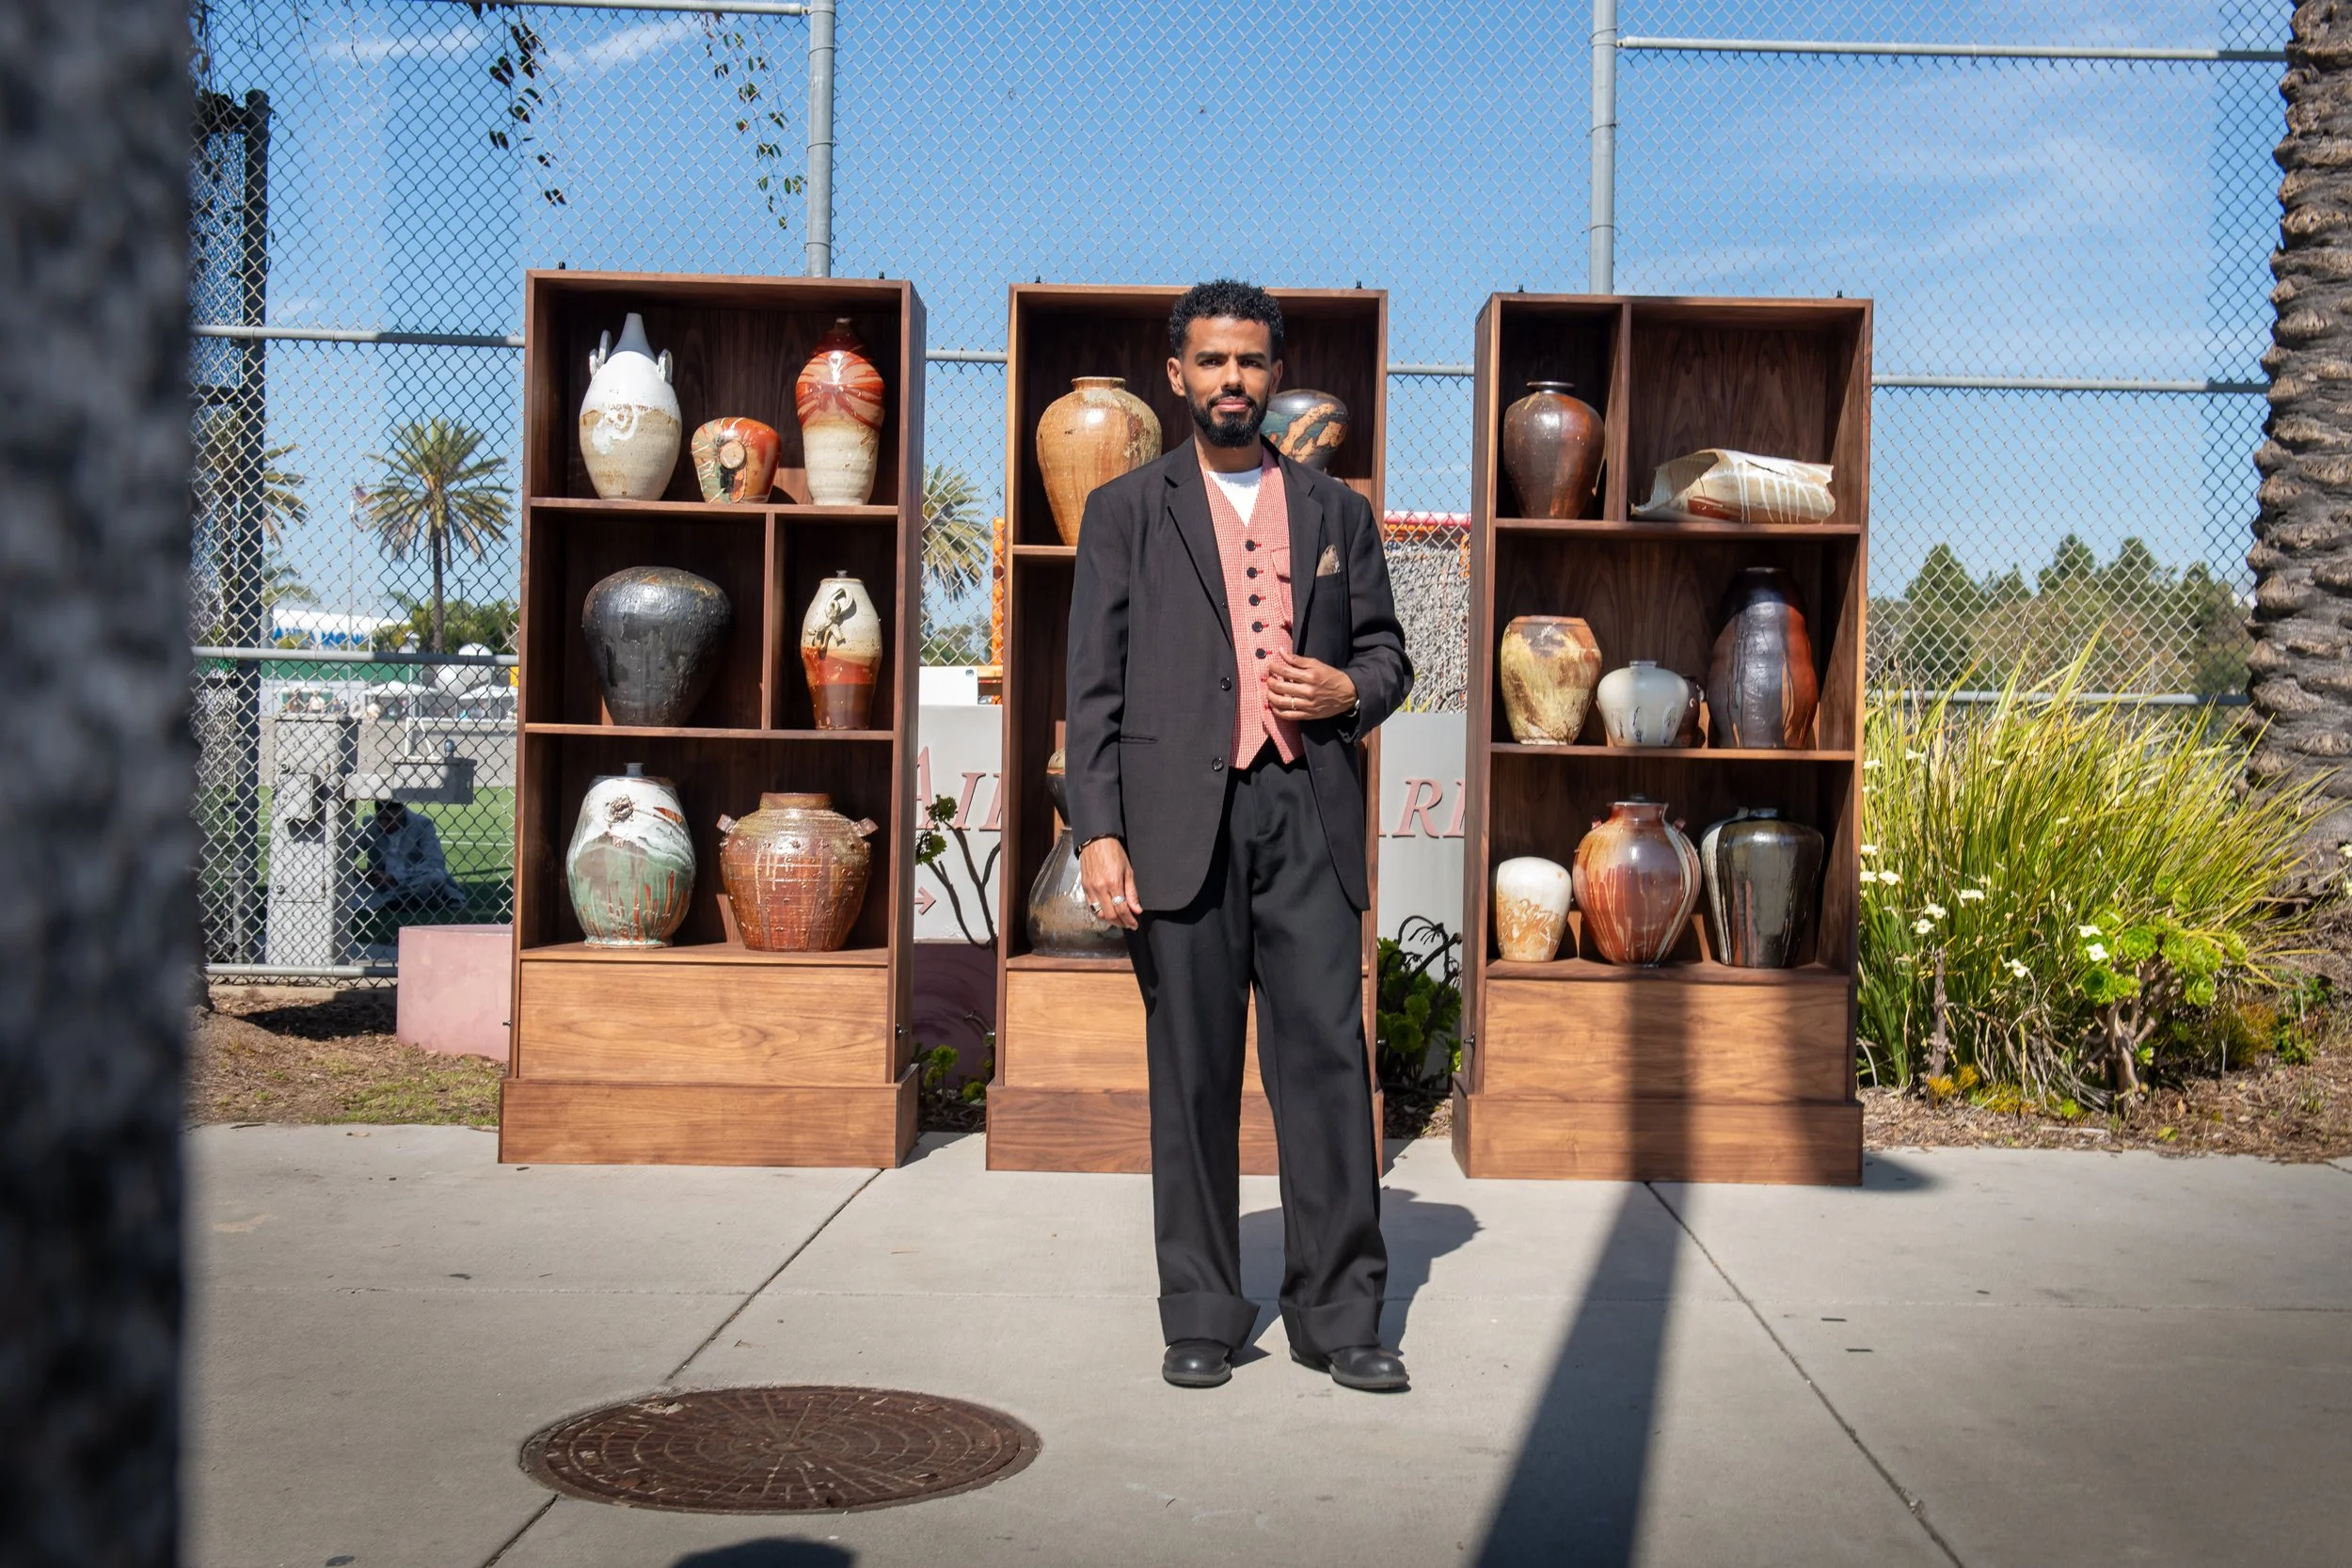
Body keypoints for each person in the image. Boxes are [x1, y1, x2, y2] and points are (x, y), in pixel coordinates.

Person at [1065, 280, 1414, 1393]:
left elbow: (1389, 656)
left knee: (1324, 1062)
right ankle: (1203, 1309)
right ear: (1177, 375)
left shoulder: (1336, 512)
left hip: (1306, 811)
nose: (1231, 381)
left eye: (1250, 363)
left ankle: (1341, 1312)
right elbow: (1093, 691)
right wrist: (1098, 831)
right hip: (1178, 821)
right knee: (1193, 1072)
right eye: (1211, 362)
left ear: (1276, 374)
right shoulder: (1125, 511)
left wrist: (1343, 689)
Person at [359, 800, 466, 911]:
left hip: (411, 881)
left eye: (389, 819)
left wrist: (394, 877)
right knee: (346, 877)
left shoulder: (422, 824)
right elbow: (348, 850)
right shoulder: (370, 824)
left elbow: (435, 862)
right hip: (380, 885)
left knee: (435, 877)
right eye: (380, 819)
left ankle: (398, 901)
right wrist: (359, 872)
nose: (384, 824)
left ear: (401, 811)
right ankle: (398, 902)